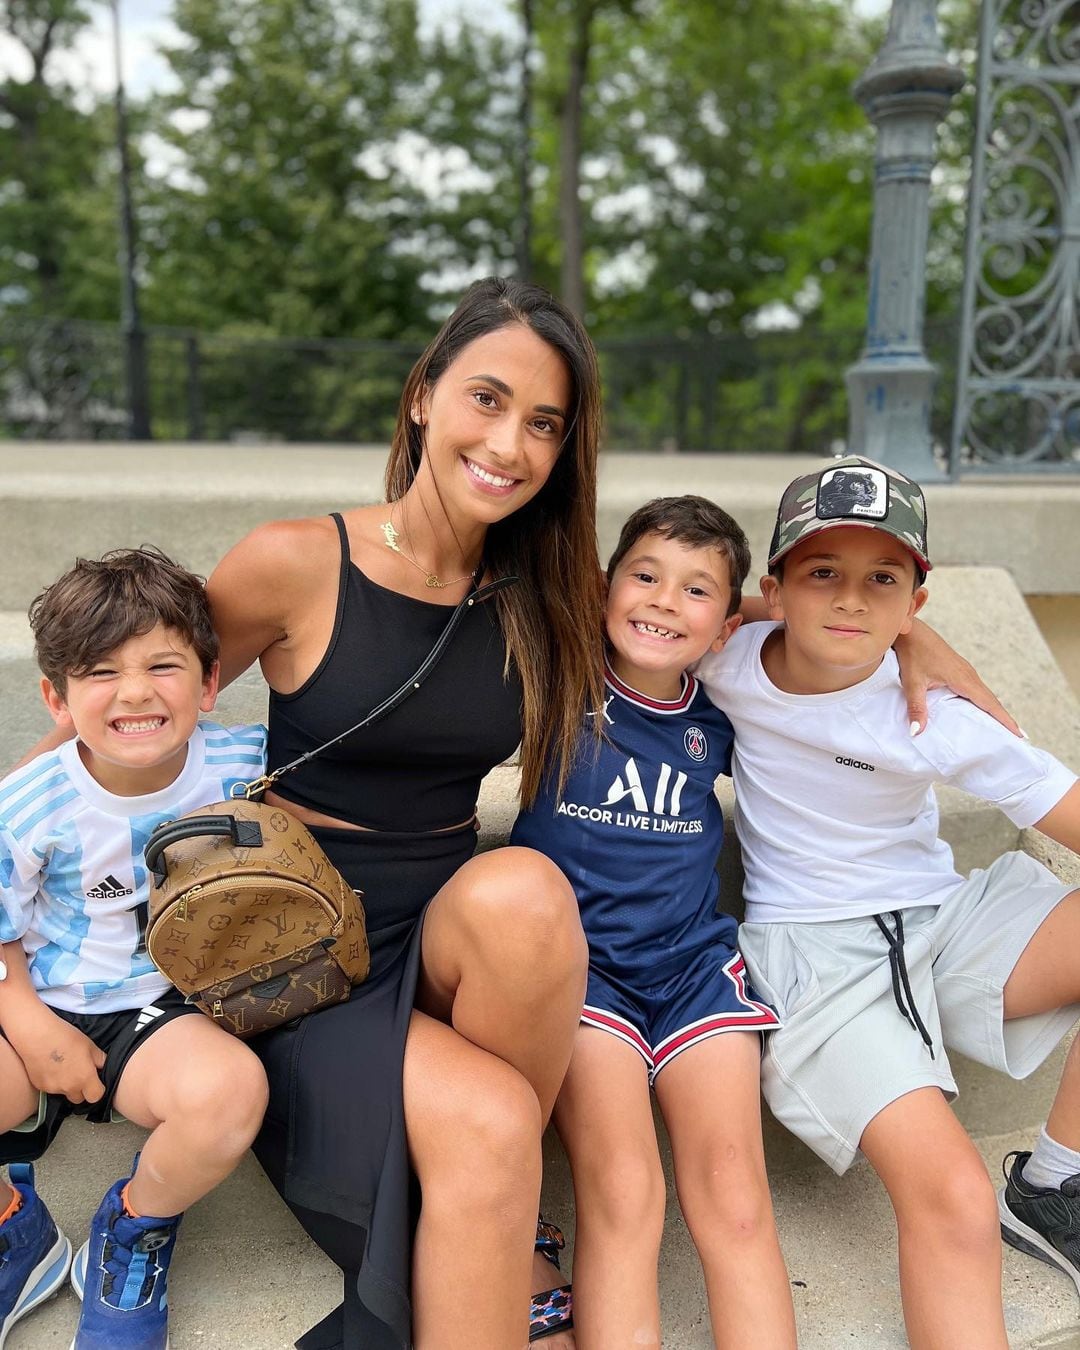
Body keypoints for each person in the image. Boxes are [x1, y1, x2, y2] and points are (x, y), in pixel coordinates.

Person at [204, 277, 605, 1350]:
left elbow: (721, 611)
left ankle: (491, 1218)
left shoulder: (547, 594)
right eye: (486, 398)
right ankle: (505, 1240)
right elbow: (127, 693)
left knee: (525, 888)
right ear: (422, 397)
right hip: (305, 955)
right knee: (491, 1119)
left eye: (543, 424)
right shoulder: (295, 560)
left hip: (445, 946)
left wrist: (917, 641)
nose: (510, 443)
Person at [694, 456, 1080, 1350]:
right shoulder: (731, 658)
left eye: (883, 581)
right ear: (775, 587)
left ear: (916, 601)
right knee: (950, 1195)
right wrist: (745, 612)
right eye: (823, 571)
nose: (851, 600)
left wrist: (919, 651)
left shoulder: (930, 711)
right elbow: (646, 604)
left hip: (944, 928)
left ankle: (1057, 1184)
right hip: (817, 961)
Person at [511, 495, 795, 1350]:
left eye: (696, 591)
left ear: (725, 628)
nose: (666, 601)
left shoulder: (721, 716)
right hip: (583, 978)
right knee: (628, 1190)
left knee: (736, 1195)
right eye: (645, 576)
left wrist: (914, 638)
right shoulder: (561, 675)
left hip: (691, 970)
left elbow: (820, 640)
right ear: (604, 588)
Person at [0, 546, 269, 1350]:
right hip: (35, 1009)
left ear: (210, 682)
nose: (137, 693)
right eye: (99, 673)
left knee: (230, 1093)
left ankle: (133, 1231)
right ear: (56, 696)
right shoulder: (31, 803)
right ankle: (18, 1235)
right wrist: (27, 1022)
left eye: (163, 665)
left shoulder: (244, 764)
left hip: (157, 1015)